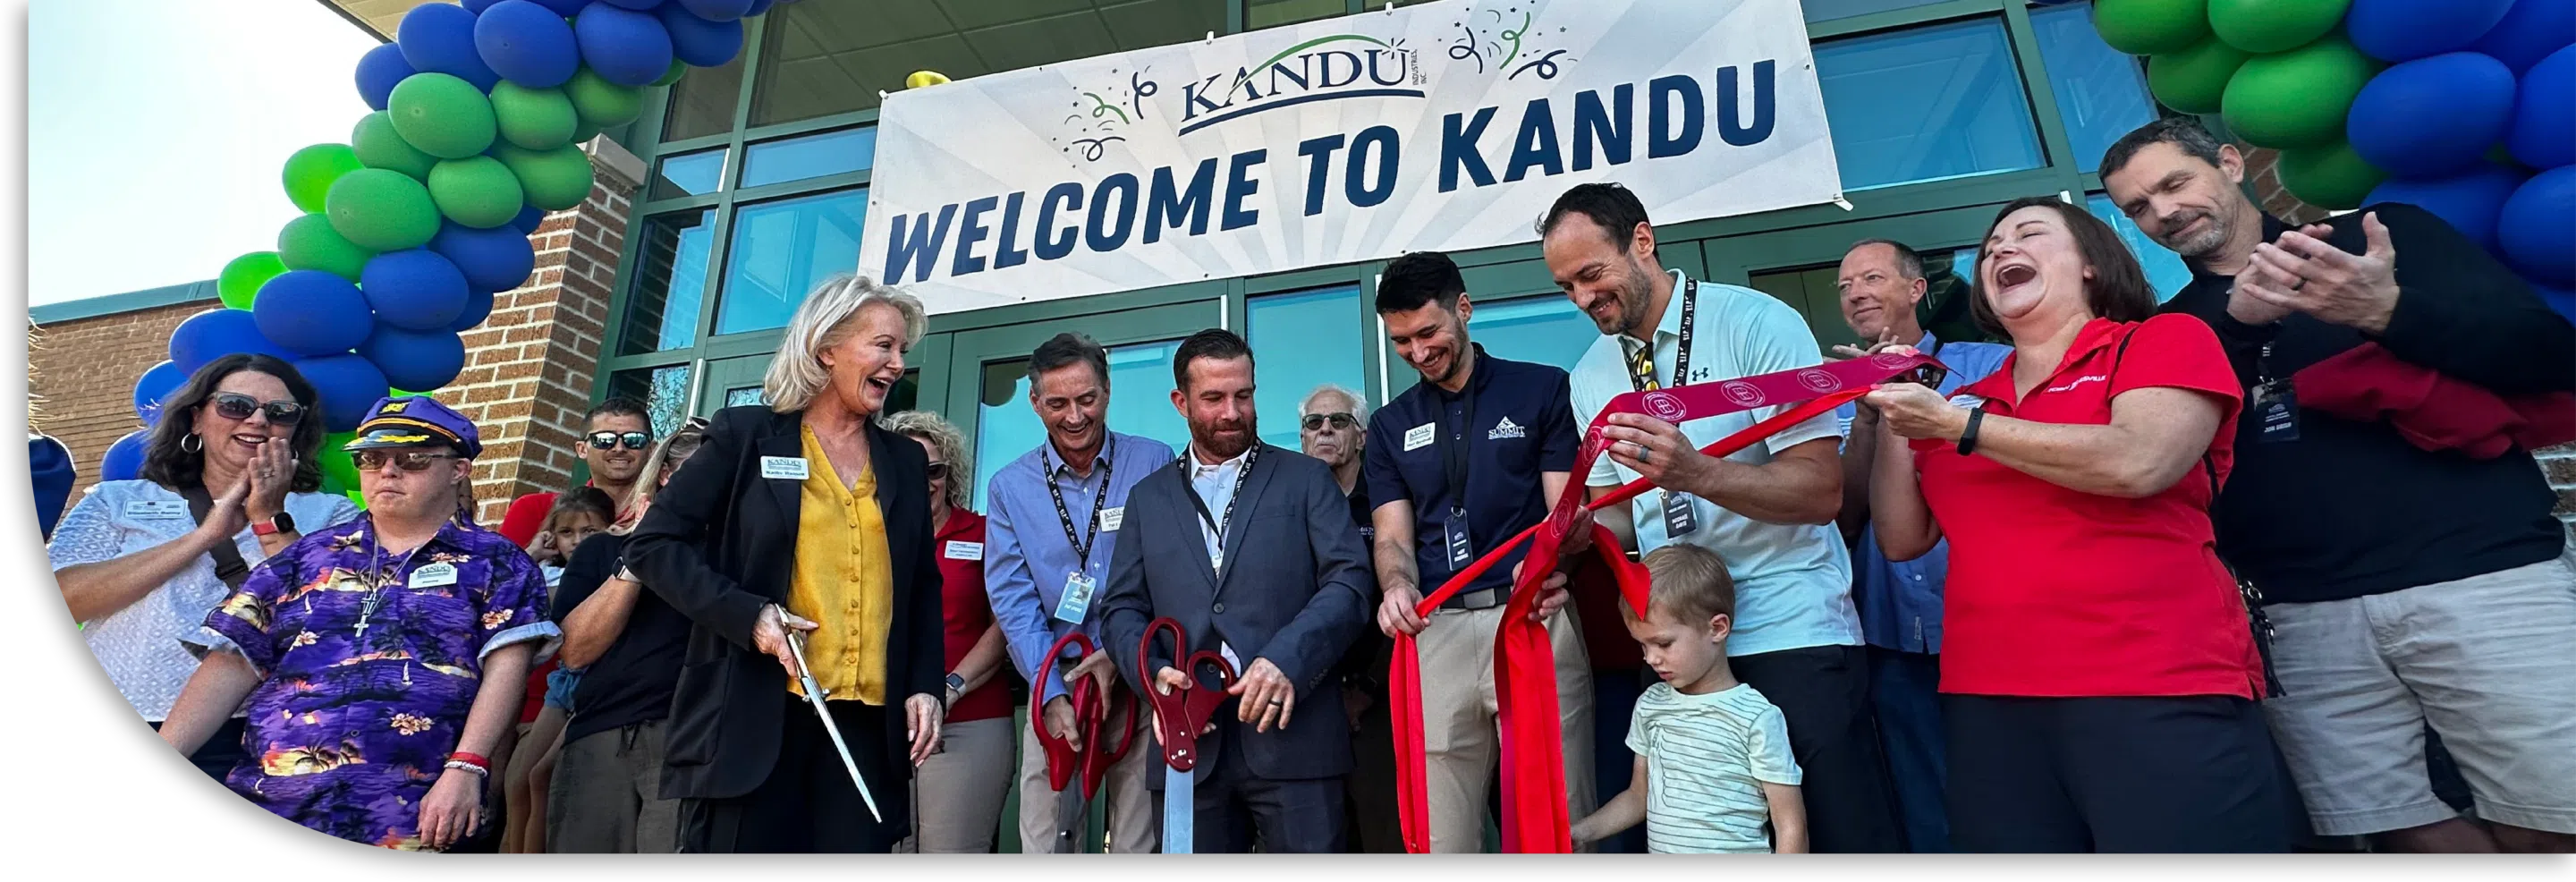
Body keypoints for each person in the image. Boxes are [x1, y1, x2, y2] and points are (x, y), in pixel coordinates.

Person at [2101, 117, 2576, 854]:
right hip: (2299, 612)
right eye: (2137, 207)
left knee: (2552, 820)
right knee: (2398, 835)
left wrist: (2385, 311)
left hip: (2484, 576)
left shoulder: (2381, 241)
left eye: (2173, 183)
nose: (2162, 212)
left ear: (2229, 163)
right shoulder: (2172, 329)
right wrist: (2241, 329)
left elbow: (2552, 355)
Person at [1860, 196, 2286, 853]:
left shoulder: (2158, 340)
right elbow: (1901, 539)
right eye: (1991, 247)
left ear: (2090, 264)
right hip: (1987, 696)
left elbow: (2139, 462)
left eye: (2027, 234)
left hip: (2153, 682)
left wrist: (1955, 425)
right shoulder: (1965, 397)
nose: (2000, 250)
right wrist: (1897, 404)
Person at [1540, 182, 1902, 853]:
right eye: (1566, 287)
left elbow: (1820, 493)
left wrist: (1695, 472)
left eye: (1592, 274)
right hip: (1678, 643)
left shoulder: (1754, 321)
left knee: (1835, 832)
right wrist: (1582, 534)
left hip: (1787, 629)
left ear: (1642, 241)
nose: (1583, 299)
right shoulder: (1590, 373)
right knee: (1696, 836)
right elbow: (1626, 521)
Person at [624, 276, 946, 854]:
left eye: (903, 350)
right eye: (884, 346)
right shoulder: (745, 436)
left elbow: (922, 585)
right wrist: (750, 618)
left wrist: (925, 686)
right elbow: (653, 546)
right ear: (826, 348)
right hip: (755, 717)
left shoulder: (900, 459)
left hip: (866, 731)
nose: (897, 364)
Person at [156, 394, 558, 851]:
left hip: (414, 809)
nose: (388, 470)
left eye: (412, 459)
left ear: (458, 470)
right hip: (274, 792)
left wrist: (467, 767)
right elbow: (232, 664)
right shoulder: (305, 556)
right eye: (372, 458)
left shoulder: (499, 561)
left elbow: (508, 669)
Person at [1098, 328, 1375, 854]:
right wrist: (1153, 676)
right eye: (1214, 398)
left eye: (1243, 396)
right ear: (1181, 402)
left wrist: (1287, 661)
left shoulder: (1307, 479)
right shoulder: (1146, 499)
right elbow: (1121, 609)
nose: (1232, 412)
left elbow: (1350, 583)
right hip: (1186, 749)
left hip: (1297, 742)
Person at [1360, 250, 1596, 854]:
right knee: (1441, 834)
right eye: (1402, 340)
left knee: (1557, 821)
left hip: (1530, 618)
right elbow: (1392, 538)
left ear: (1464, 309)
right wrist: (1395, 587)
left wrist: (1552, 560)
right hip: (1434, 629)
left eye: (1429, 331)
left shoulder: (1542, 388)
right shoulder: (1389, 426)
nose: (1418, 351)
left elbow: (1562, 515)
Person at [50, 354, 360, 780]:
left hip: (262, 736)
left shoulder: (331, 513)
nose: (257, 420)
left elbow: (338, 615)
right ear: (196, 419)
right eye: (235, 405)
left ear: (296, 430)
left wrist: (270, 517)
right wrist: (204, 536)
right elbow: (69, 597)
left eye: (280, 412)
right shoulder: (115, 500)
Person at [1828, 238, 2012, 853]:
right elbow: (1845, 511)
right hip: (1891, 634)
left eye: (1870, 276)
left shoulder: (1986, 363)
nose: (1854, 291)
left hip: (1987, 621)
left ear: (1915, 289)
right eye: (1844, 286)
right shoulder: (1836, 391)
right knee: (1924, 799)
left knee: (2016, 787)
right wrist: (1865, 415)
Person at [983, 332, 1174, 854]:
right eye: (1058, 403)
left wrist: (1120, 655)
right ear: (1035, 402)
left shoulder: (1155, 461)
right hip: (1056, 680)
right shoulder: (1008, 486)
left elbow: (1172, 575)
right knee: (1046, 841)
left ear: (1107, 391)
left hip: (1137, 679)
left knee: (1139, 841)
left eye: (1086, 399)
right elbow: (1014, 600)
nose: (1075, 417)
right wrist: (1049, 695)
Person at [1572, 544, 1806, 854]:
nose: (1651, 659)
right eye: (1643, 646)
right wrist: (1580, 832)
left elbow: (1790, 825)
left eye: (1663, 644)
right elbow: (1638, 796)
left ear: (1718, 628)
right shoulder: (1650, 705)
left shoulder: (1756, 718)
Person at [547, 419, 709, 853]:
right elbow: (576, 652)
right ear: (665, 476)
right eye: (701, 472)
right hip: (602, 733)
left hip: (693, 739)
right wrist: (643, 550)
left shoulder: (738, 555)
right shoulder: (602, 549)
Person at [496, 396, 657, 796]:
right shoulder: (538, 510)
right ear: (582, 448)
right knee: (518, 794)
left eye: (634, 438)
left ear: (651, 448)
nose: (619, 448)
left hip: (635, 695)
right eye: (604, 439)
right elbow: (496, 601)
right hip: (540, 693)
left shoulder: (667, 514)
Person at [881, 410, 1015, 854]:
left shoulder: (983, 534)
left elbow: (1008, 622)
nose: (925, 480)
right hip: (881, 722)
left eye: (934, 470)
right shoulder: (867, 539)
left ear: (949, 473)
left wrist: (950, 687)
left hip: (971, 720)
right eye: (909, 467)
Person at [1302, 383, 1400, 854]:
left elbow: (1404, 599)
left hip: (1380, 695)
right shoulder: (1284, 509)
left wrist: (1368, 689)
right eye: (1313, 423)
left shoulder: (1389, 502)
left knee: (1387, 833)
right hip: (1308, 701)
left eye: (1338, 421)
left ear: (1360, 436)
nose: (1324, 430)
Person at [502, 486, 614, 853]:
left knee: (541, 776)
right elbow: (500, 594)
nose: (577, 541)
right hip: (560, 682)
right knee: (517, 780)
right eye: (567, 532)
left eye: (589, 532)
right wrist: (534, 552)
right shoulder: (544, 573)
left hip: (595, 679)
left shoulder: (612, 572)